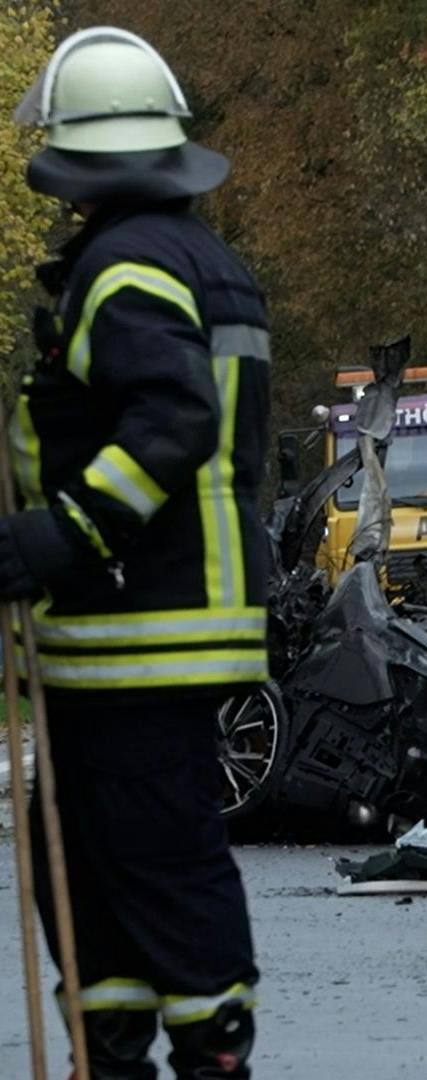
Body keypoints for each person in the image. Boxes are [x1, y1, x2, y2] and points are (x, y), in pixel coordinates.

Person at [5, 27, 269, 1078]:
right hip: (171, 621)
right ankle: (111, 1045)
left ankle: (196, 1055)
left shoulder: (124, 272)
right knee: (85, 851)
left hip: (134, 624)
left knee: (154, 862)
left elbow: (171, 420)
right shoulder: (204, 261)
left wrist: (59, 535)